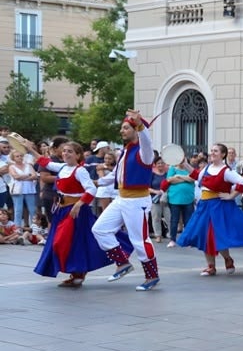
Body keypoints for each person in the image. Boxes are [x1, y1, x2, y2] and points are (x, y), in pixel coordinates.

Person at [21, 138, 126, 287]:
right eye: (64, 151)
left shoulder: (80, 171)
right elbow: (44, 162)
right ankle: (76, 274)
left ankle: (79, 273)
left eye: (70, 151)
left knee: (68, 242)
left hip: (75, 213)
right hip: (61, 211)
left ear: (78, 155)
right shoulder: (63, 167)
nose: (66, 153)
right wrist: (29, 149)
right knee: (64, 243)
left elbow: (91, 189)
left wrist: (79, 204)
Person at [92, 111, 162, 292]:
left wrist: (141, 126)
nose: (121, 131)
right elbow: (118, 175)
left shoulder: (144, 152)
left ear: (135, 130)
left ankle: (152, 275)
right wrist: (97, 182)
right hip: (121, 198)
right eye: (122, 128)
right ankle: (122, 263)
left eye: (125, 128)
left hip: (137, 200)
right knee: (100, 229)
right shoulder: (125, 151)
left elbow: (147, 142)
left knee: (140, 240)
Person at [176, 144, 243, 276]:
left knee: (218, 235)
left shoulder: (227, 171)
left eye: (215, 151)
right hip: (204, 206)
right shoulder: (207, 167)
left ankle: (227, 259)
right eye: (211, 151)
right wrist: (185, 164)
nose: (212, 153)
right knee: (204, 235)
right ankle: (211, 266)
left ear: (223, 154)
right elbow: (197, 176)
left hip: (219, 206)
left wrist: (231, 196)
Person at [164, 152, 196, 246]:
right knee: (174, 220)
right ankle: (172, 239)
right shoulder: (172, 169)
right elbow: (170, 180)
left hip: (188, 199)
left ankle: (188, 239)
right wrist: (186, 178)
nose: (181, 162)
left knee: (188, 221)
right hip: (174, 199)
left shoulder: (190, 169)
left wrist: (178, 176)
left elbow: (193, 178)